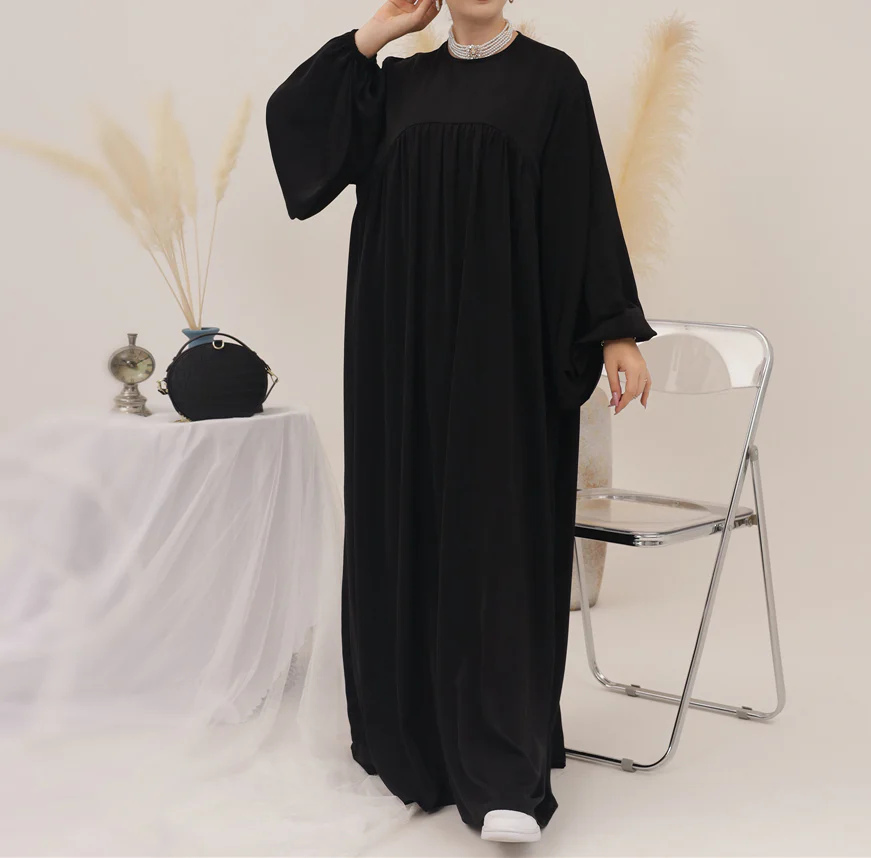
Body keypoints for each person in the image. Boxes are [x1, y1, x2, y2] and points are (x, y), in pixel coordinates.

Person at [266, 0, 656, 844]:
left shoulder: (551, 81)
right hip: (399, 358)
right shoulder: (399, 83)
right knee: (407, 525)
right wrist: (374, 36)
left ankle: (503, 765)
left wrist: (616, 330)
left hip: (501, 355)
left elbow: (583, 207)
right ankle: (410, 741)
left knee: (494, 538)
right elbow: (295, 128)